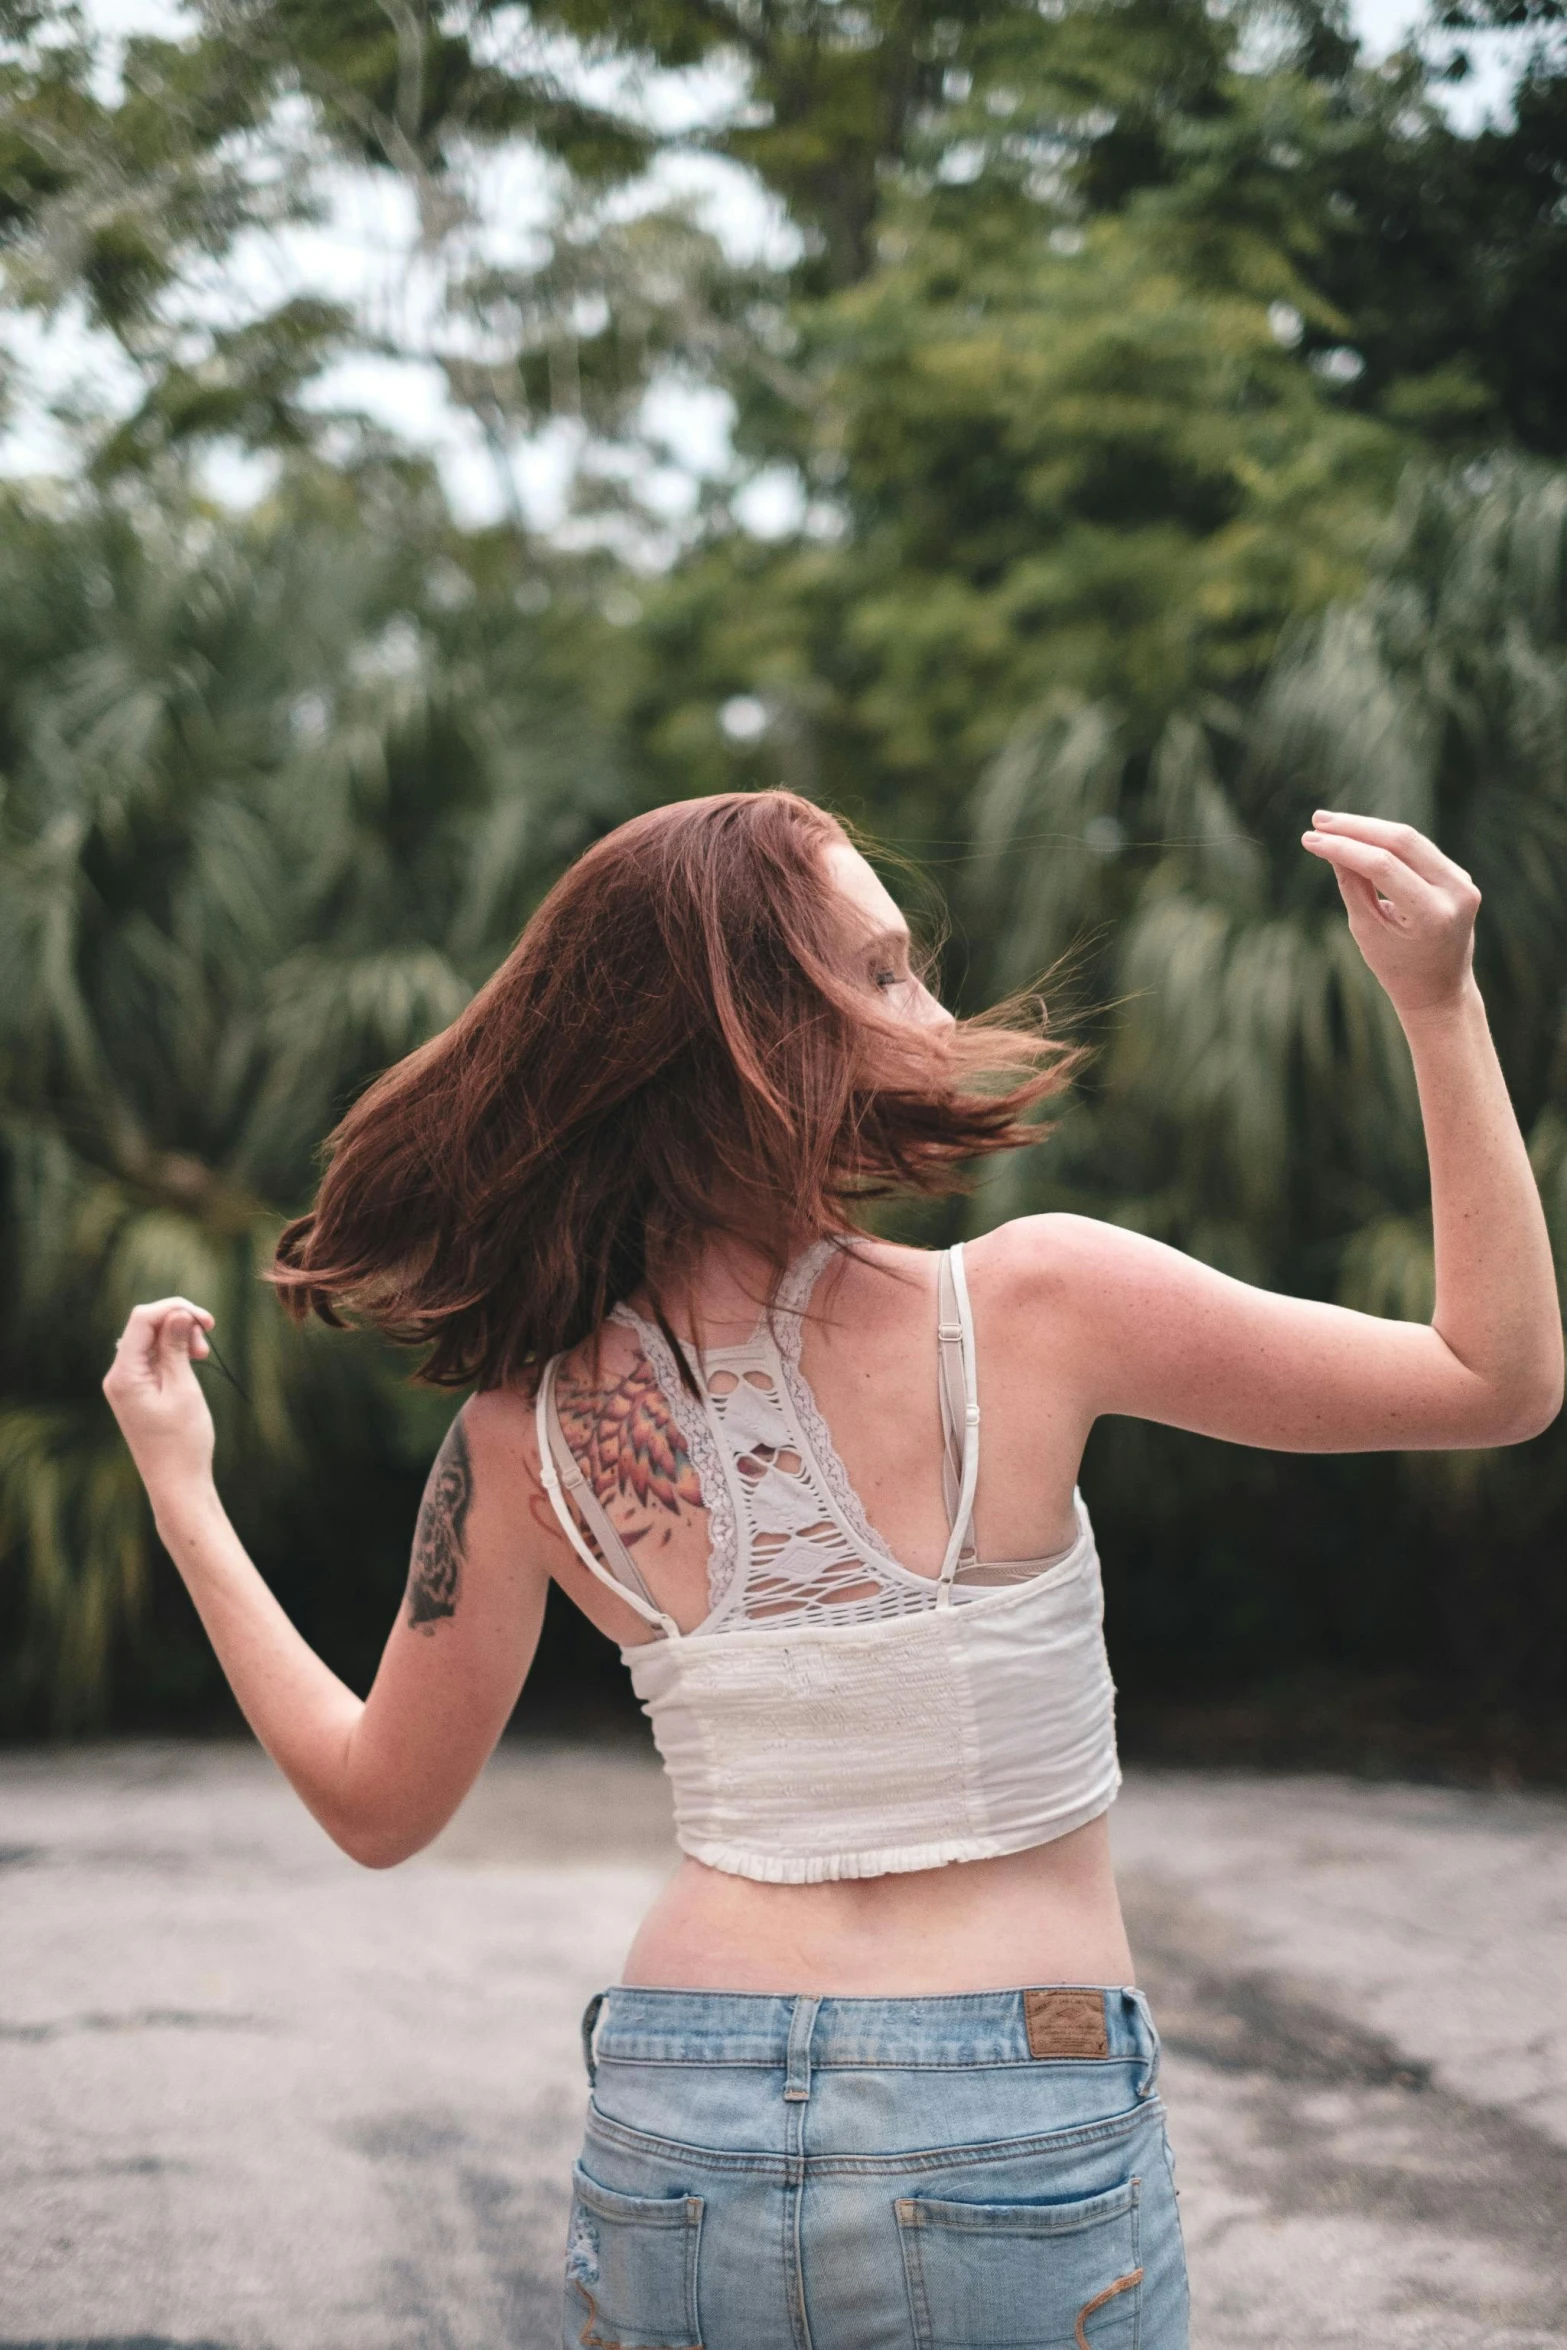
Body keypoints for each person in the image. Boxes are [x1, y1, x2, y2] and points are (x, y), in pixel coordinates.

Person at [104, 790, 1561, 2350]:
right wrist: (1437, 1004)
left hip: (679, 2095)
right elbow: (1496, 1379)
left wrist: (183, 1494)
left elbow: (375, 1805)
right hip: (1009, 2085)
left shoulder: (518, 1433)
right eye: (877, 974)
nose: (930, 1010)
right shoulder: (1037, 1300)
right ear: (743, 1029)